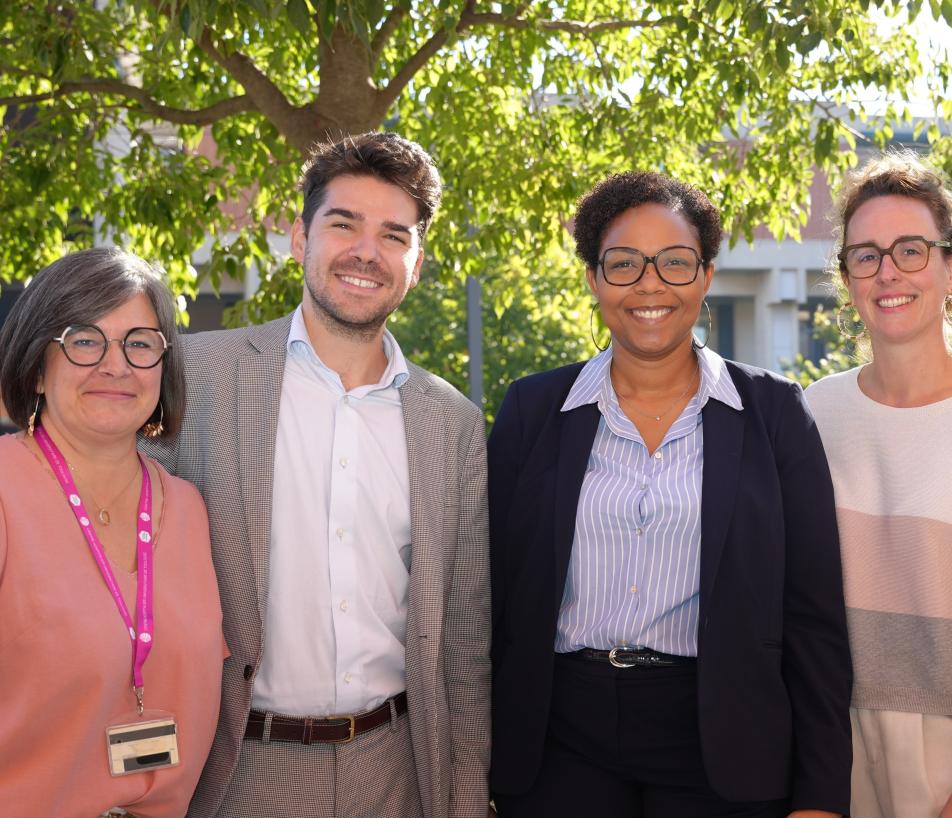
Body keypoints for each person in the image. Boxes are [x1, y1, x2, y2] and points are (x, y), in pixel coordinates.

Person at [145, 131, 490, 818]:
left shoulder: (451, 421)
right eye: (344, 224)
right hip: (236, 769)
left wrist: (465, 793)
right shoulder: (196, 377)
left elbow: (463, 641)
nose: (367, 251)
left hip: (397, 768)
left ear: (415, 263)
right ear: (300, 238)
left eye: (394, 235)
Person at [488, 171, 852, 817]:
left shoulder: (775, 413)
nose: (649, 284)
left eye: (675, 262)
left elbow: (814, 620)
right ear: (595, 278)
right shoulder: (532, 408)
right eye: (624, 263)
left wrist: (821, 796)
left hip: (723, 741)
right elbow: (491, 599)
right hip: (558, 740)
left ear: (707, 275)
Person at [0, 248, 224, 817]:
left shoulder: (189, 510)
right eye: (83, 339)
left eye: (140, 343)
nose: (115, 365)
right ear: (36, 365)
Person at [804, 153, 952, 818]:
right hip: (835, 751)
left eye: (911, 250)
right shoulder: (811, 415)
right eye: (865, 254)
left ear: (948, 266)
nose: (887, 271)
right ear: (846, 277)